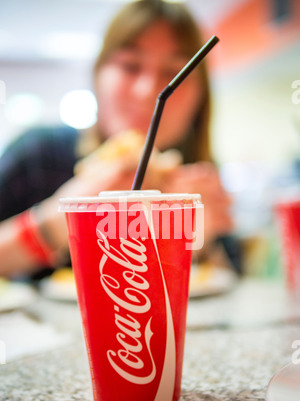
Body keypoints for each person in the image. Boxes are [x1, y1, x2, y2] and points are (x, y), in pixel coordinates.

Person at [0, 0, 238, 280]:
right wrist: (58, 222)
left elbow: (235, 293)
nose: (147, 90)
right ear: (99, 75)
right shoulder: (39, 156)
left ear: (200, 97)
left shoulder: (197, 182)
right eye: (130, 66)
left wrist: (195, 246)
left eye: (173, 72)